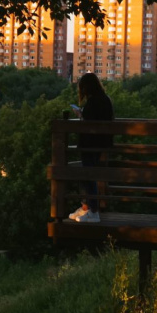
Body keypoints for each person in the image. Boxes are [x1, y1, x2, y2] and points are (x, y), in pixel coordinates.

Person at [69, 72, 114, 223]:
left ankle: (93, 211)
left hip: (90, 144)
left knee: (88, 176)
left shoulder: (93, 101)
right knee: (87, 174)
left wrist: (80, 115)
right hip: (102, 143)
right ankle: (86, 208)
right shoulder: (105, 99)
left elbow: (89, 121)